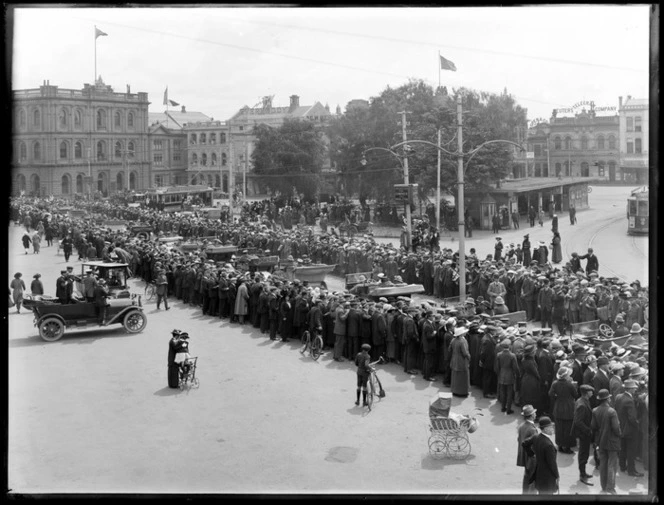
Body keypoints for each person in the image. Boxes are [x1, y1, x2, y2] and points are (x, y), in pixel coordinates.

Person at [591, 389, 621, 494]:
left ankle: (603, 486)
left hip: (601, 441)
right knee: (612, 465)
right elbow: (616, 428)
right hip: (612, 441)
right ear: (607, 399)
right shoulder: (612, 411)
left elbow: (593, 426)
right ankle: (610, 488)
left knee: (603, 464)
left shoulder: (595, 410)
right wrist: (619, 435)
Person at [523, 416, 560, 494]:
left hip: (539, 475)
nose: (553, 429)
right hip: (548, 479)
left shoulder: (536, 437)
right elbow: (552, 464)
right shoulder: (548, 445)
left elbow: (524, 443)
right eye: (551, 427)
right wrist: (557, 475)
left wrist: (532, 454)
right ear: (546, 429)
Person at [615, 379, 643, 477]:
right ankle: (631, 470)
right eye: (634, 388)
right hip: (630, 430)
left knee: (623, 448)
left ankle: (622, 466)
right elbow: (632, 418)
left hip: (621, 427)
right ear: (630, 389)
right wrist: (637, 424)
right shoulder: (629, 401)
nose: (635, 390)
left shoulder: (619, 397)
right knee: (631, 450)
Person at [548, 366, 578, 453]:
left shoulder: (555, 383)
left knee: (559, 428)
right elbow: (575, 395)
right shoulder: (570, 384)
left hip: (558, 407)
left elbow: (550, 394)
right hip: (569, 408)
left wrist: (557, 397)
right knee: (568, 428)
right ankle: (567, 447)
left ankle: (560, 445)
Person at [573, 384, 596, 485]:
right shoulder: (582, 404)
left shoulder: (583, 401)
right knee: (583, 453)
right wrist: (588, 430)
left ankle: (583, 472)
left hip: (584, 433)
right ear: (587, 393)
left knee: (584, 453)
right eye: (591, 391)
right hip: (583, 434)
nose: (592, 393)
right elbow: (578, 421)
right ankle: (582, 475)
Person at [517, 404, 539, 494]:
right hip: (531, 459)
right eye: (534, 413)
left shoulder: (522, 426)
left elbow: (519, 440)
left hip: (524, 456)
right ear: (532, 415)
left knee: (526, 477)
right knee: (532, 480)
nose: (536, 414)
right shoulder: (532, 429)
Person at [495, 339, 519, 414]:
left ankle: (503, 407)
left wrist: (499, 374)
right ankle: (508, 409)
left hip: (502, 375)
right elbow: (515, 367)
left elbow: (497, 367)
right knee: (509, 393)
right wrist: (517, 374)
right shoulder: (512, 355)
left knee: (503, 392)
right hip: (510, 375)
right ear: (510, 346)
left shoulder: (499, 355)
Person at [449, 326, 470, 397]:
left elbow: (449, 349)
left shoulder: (453, 340)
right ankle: (461, 392)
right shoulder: (462, 341)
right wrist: (469, 357)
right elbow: (465, 353)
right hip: (461, 361)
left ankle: (454, 390)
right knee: (462, 377)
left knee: (455, 376)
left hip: (454, 359)